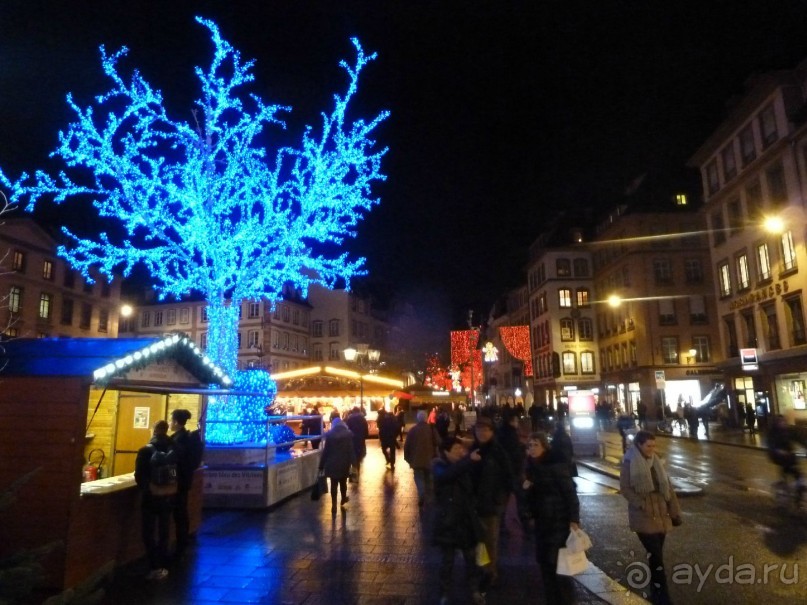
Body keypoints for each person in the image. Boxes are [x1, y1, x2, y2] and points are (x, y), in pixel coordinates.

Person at [620, 430, 682, 605]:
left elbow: (668, 488)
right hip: (643, 514)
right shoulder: (629, 461)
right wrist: (641, 504)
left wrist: (675, 512)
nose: (652, 449)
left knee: (656, 554)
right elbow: (625, 488)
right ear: (639, 445)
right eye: (648, 446)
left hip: (661, 513)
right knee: (655, 553)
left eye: (654, 445)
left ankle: (656, 589)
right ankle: (662, 595)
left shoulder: (657, 462)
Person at [523, 431, 581, 605]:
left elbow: (570, 493)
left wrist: (574, 519)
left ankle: (565, 601)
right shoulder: (531, 468)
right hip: (542, 524)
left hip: (558, 523)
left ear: (544, 446)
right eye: (530, 445)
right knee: (546, 567)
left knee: (560, 568)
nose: (532, 449)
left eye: (536, 445)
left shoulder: (555, 465)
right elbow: (530, 499)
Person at [432, 437, 486, 605]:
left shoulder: (465, 466)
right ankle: (444, 593)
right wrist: (468, 460)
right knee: (447, 562)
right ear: (446, 451)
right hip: (448, 521)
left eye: (462, 449)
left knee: (472, 560)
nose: (461, 452)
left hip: (466, 520)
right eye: (456, 449)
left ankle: (475, 590)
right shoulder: (438, 466)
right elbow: (447, 476)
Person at [469, 416, 513, 589]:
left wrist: (500, 500)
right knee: (479, 540)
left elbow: (508, 478)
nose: (482, 433)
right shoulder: (473, 450)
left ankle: (490, 571)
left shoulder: (498, 452)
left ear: (492, 432)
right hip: (475, 504)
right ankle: (483, 567)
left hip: (491, 505)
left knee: (490, 540)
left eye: (486, 430)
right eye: (479, 430)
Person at [135, 420, 177, 580]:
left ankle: (153, 566)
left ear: (154, 430)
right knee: (164, 530)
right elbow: (176, 472)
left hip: (151, 497)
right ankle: (163, 564)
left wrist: (148, 487)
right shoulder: (173, 448)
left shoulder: (145, 451)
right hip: (168, 495)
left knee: (148, 532)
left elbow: (139, 475)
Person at [169, 408, 201, 562]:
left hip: (177, 482)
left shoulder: (177, 440)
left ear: (175, 422)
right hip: (185, 480)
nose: (170, 423)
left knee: (179, 513)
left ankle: (181, 544)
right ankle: (183, 541)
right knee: (182, 511)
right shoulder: (189, 438)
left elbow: (174, 461)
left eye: (171, 420)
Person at [318, 417, 356, 515]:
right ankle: (343, 498)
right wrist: (354, 464)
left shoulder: (330, 436)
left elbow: (326, 452)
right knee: (343, 482)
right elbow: (351, 451)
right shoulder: (348, 435)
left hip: (331, 463)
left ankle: (334, 504)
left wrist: (321, 465)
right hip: (344, 462)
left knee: (333, 484)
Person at [767, 415, 805, 506]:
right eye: (781, 422)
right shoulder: (773, 433)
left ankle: (798, 494)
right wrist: (778, 451)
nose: (783, 423)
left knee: (797, 473)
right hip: (777, 456)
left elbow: (798, 439)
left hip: (789, 454)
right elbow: (771, 445)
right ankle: (785, 486)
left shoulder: (788, 431)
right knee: (788, 467)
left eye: (784, 422)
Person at [404, 409, 440, 506]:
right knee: (429, 478)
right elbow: (439, 442)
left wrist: (407, 458)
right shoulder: (431, 429)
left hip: (416, 460)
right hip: (430, 459)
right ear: (426, 418)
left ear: (417, 419)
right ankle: (429, 497)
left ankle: (422, 493)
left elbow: (407, 446)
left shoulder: (412, 430)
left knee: (418, 477)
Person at [344, 406, 369, 479]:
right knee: (358, 457)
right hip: (360, 439)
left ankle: (351, 473)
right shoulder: (362, 418)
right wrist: (365, 436)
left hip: (352, 439)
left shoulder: (350, 418)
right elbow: (365, 428)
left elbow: (347, 428)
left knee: (351, 455)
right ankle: (356, 474)